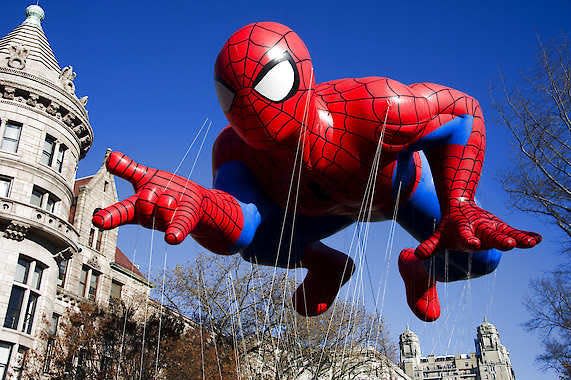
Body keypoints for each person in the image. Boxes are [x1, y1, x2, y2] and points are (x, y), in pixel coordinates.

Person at [93, 22, 541, 322]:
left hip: (398, 191)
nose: (262, 120)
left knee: (480, 255)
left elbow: (463, 112)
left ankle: (419, 267)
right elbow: (239, 221)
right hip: (317, 210)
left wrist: (459, 202)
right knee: (258, 244)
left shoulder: (376, 106)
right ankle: (325, 262)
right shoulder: (234, 150)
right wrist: (197, 202)